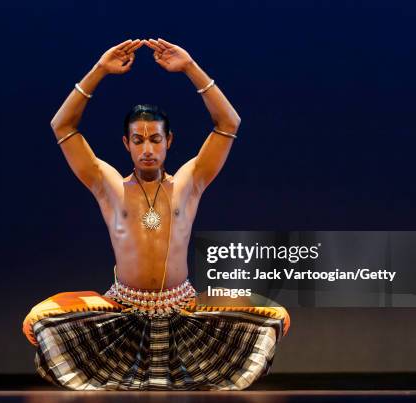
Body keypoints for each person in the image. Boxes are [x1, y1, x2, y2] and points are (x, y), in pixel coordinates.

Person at [23, 38, 290, 391]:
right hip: (122, 311)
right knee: (41, 320)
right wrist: (99, 71)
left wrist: (191, 67)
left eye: (155, 139)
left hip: (182, 309)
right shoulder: (110, 187)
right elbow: (63, 127)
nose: (147, 149)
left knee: (273, 316)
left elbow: (228, 123)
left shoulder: (188, 183)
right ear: (126, 144)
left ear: (169, 141)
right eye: (138, 140)